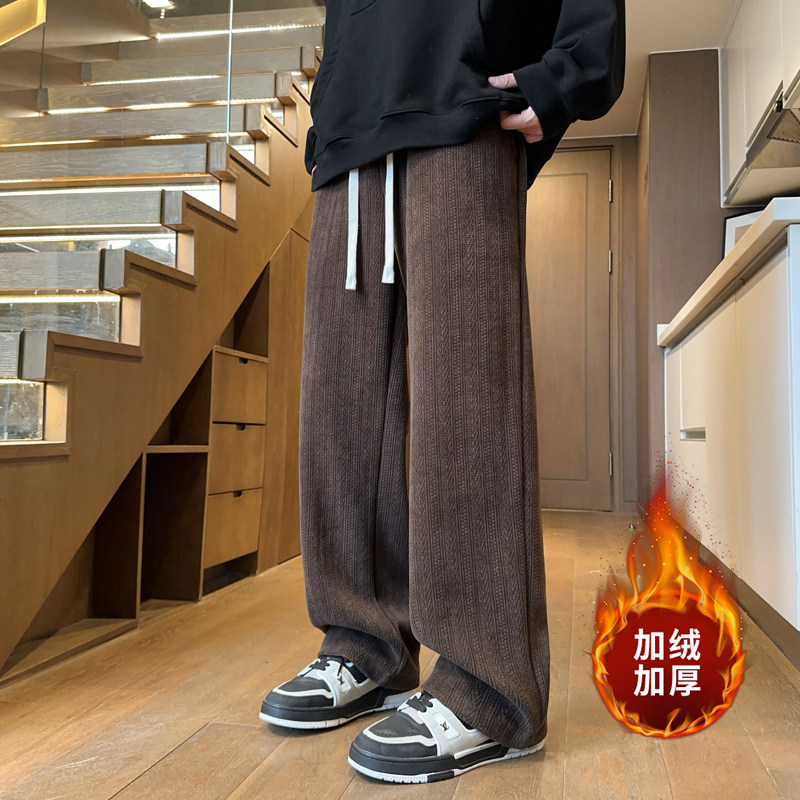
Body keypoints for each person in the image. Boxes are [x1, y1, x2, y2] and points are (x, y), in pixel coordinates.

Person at [260, 0, 625, 785]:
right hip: (352, 125)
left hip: (464, 94)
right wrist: (329, 107)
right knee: (340, 407)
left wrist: (570, 70)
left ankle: (486, 685)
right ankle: (364, 643)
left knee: (466, 399)